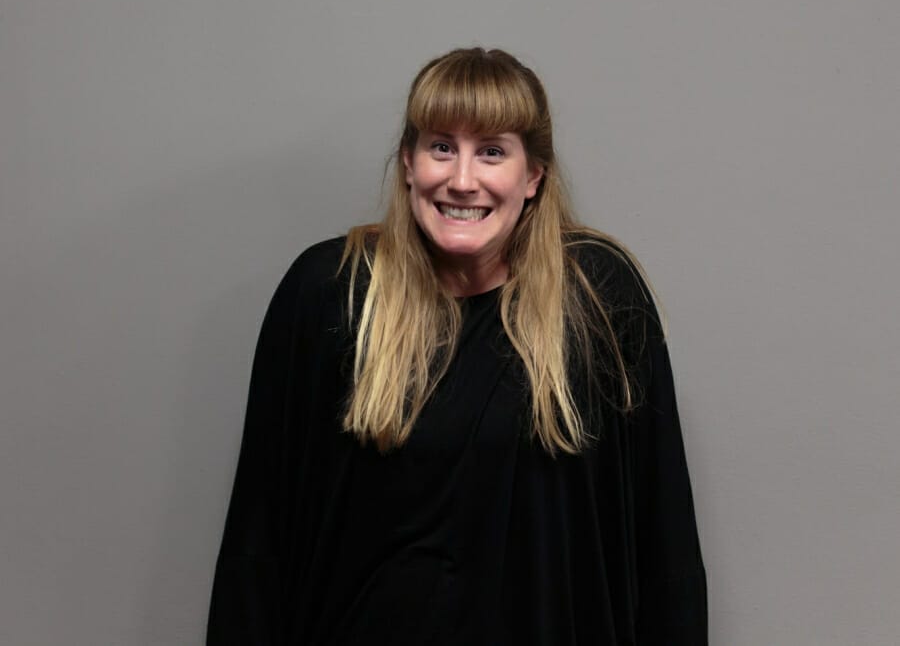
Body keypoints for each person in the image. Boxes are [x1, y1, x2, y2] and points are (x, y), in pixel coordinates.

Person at [207, 47, 707, 645]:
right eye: (442, 147)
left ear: (533, 176)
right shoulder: (331, 292)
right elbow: (258, 539)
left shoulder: (598, 296)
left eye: (492, 151)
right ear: (408, 163)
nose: (462, 180)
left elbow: (664, 537)